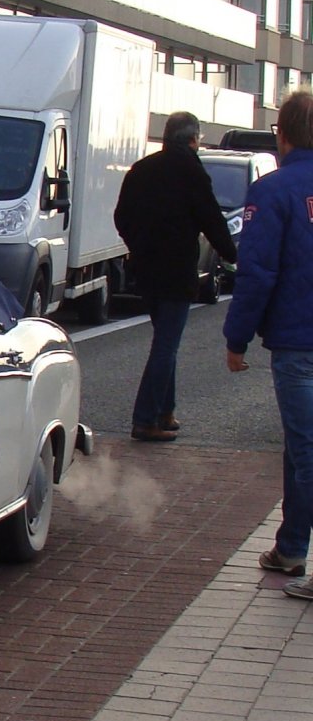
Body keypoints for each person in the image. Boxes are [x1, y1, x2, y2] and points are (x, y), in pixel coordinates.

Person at [224, 91, 313, 596]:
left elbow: (256, 272)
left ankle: (298, 548)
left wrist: (236, 338)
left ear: (282, 135)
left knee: (306, 451)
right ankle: (291, 544)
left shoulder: (274, 190)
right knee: (301, 448)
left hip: (299, 342)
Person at [114, 111, 236, 441]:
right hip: (178, 270)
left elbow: (121, 216)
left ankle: (165, 412)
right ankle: (145, 419)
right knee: (166, 345)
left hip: (146, 270)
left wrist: (138, 245)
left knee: (166, 340)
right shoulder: (192, 172)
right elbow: (212, 219)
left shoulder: (142, 170)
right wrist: (236, 255)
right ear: (194, 139)